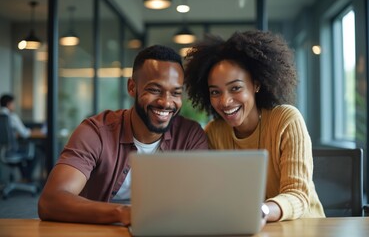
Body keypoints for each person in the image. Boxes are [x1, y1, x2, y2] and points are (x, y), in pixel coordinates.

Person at [38, 45, 209, 225]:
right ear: (132, 87)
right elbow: (50, 201)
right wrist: (124, 213)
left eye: (175, 93)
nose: (166, 102)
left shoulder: (190, 136)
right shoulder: (96, 132)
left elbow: (202, 201)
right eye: (155, 90)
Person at [184, 30, 325, 222]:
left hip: (305, 228)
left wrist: (260, 211)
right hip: (250, 229)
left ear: (256, 84)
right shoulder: (214, 133)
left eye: (235, 88)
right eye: (215, 92)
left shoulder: (286, 119)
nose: (225, 101)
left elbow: (297, 195)